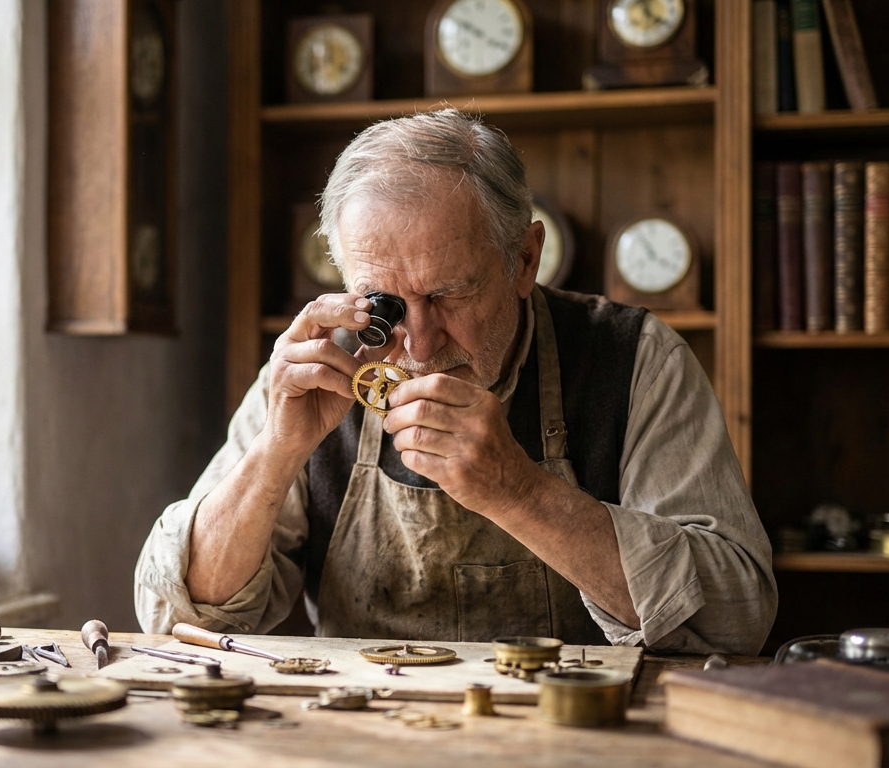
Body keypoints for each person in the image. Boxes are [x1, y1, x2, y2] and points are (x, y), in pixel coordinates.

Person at [134, 108, 776, 654]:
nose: (418, 342)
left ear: (524, 259)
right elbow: (182, 619)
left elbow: (737, 619)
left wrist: (520, 492)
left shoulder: (635, 359)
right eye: (383, 304)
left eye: (448, 294)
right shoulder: (323, 367)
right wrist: (276, 456)